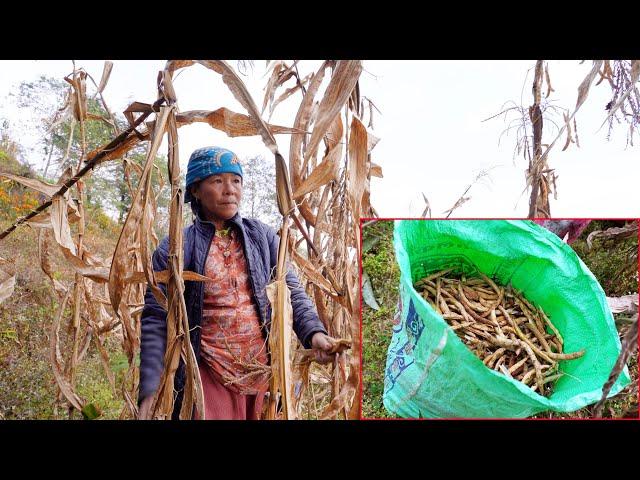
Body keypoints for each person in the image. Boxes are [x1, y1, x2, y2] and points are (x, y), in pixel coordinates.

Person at [138, 146, 335, 420]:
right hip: (209, 377)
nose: (229, 189)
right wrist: (150, 389)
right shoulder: (176, 248)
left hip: (263, 375)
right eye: (217, 181)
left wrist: (314, 334)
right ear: (195, 190)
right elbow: (155, 320)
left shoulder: (263, 238)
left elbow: (291, 292)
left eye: (236, 180)